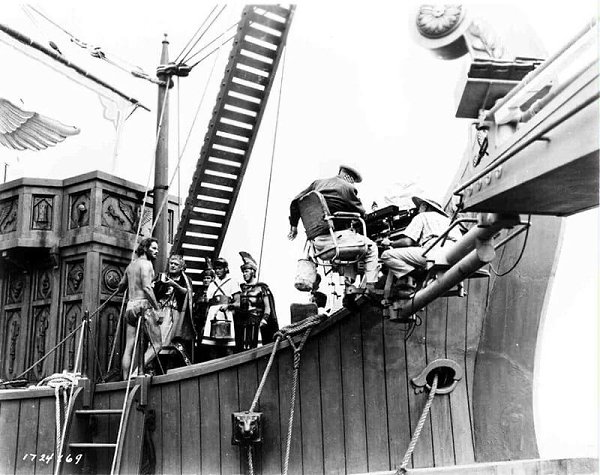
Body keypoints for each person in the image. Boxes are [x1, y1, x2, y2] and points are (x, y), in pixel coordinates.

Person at [288, 164, 379, 287]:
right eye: (353, 181)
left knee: (350, 239)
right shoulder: (347, 187)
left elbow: (295, 202)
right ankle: (371, 286)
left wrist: (294, 227)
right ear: (349, 177)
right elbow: (361, 214)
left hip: (318, 246)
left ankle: (348, 283)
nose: (353, 184)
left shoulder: (317, 184)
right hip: (335, 243)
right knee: (371, 247)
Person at [381, 196, 462, 279]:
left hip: (433, 252)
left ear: (424, 206)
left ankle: (419, 276)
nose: (418, 210)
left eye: (419, 207)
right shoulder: (449, 220)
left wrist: (390, 243)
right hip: (455, 253)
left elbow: (407, 242)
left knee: (386, 255)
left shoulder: (422, 216)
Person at [117, 237, 162, 380]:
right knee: (157, 344)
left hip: (130, 307)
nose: (157, 251)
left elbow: (120, 286)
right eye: (154, 248)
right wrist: (157, 309)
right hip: (143, 306)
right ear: (145, 248)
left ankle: (125, 379)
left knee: (129, 346)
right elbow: (147, 288)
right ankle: (136, 373)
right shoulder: (147, 264)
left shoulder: (131, 266)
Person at [153, 254, 196, 367]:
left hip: (177, 313)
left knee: (174, 342)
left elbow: (187, 292)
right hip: (162, 312)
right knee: (161, 339)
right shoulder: (162, 276)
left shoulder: (186, 280)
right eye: (171, 263)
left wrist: (174, 284)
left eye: (176, 264)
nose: (172, 266)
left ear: (181, 267)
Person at [233, 252, 279, 352]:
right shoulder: (241, 288)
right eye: (243, 272)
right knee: (242, 347)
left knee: (256, 348)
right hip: (243, 322)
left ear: (253, 272)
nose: (244, 274)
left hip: (257, 321)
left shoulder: (262, 288)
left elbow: (268, 307)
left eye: (246, 271)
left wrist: (264, 319)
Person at [199, 258, 240, 360]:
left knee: (227, 346)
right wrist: (205, 322)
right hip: (212, 316)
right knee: (211, 347)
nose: (217, 271)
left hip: (225, 315)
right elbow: (208, 304)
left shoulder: (232, 282)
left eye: (220, 268)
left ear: (226, 269)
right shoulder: (212, 284)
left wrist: (228, 306)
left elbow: (238, 303)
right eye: (216, 269)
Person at [192, 268, 215, 361]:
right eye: (204, 278)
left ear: (212, 279)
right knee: (199, 341)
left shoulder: (214, 291)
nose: (205, 280)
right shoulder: (199, 291)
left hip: (210, 319)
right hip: (199, 319)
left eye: (208, 278)